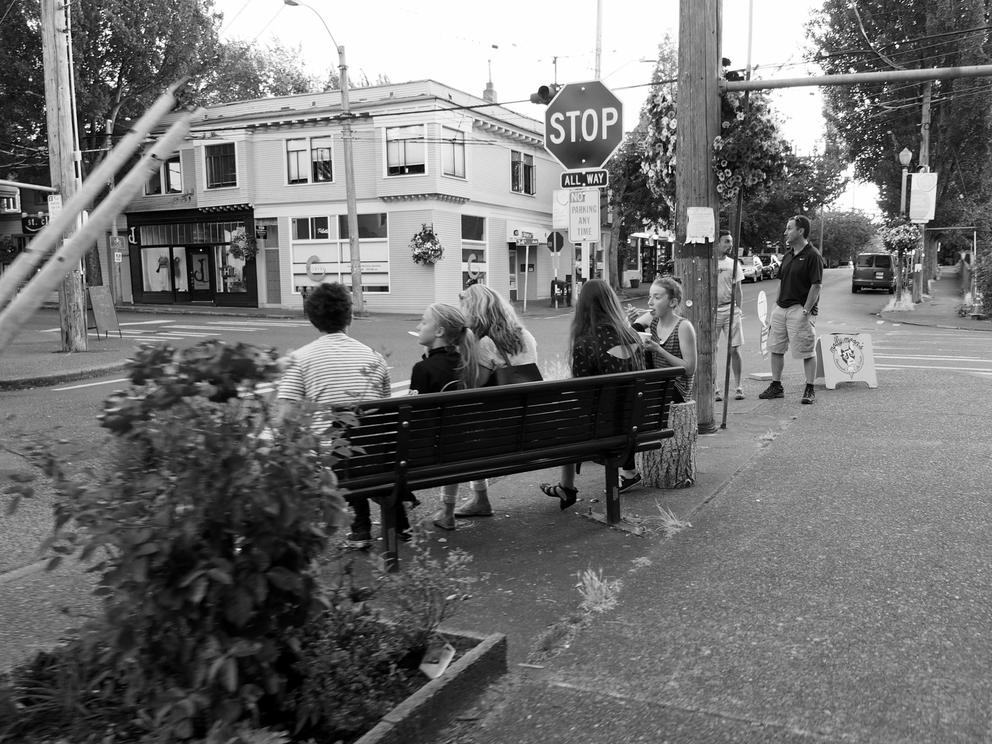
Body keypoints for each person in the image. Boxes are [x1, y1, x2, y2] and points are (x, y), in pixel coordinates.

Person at [275, 282, 398, 549]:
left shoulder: (300, 359)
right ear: (349, 316)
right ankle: (394, 524)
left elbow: (284, 419)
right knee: (357, 439)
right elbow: (384, 410)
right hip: (375, 453)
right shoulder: (375, 358)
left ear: (312, 319)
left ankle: (360, 529)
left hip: (332, 459)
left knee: (336, 444)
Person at [540, 279, 646, 509]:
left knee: (565, 420)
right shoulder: (633, 336)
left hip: (602, 427)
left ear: (583, 308)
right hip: (637, 422)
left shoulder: (585, 343)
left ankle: (566, 486)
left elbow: (581, 394)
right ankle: (625, 472)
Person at [455, 283, 539, 516]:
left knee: (465, 423)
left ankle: (479, 498)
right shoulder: (526, 335)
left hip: (502, 428)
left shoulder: (485, 343)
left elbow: (475, 385)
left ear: (475, 311)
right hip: (532, 418)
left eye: (464, 308)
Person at [408, 302, 481, 530]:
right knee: (453, 439)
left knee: (446, 442)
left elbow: (416, 422)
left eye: (424, 321)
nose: (419, 326)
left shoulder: (423, 369)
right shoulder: (467, 363)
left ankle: (403, 520)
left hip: (434, 453)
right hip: (475, 447)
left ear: (439, 332)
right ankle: (449, 510)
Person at [759, 215, 824, 405]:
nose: (785, 232)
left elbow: (816, 285)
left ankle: (809, 388)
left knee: (806, 350)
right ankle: (776, 386)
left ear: (800, 231)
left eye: (789, 228)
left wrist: (806, 311)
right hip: (781, 308)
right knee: (776, 348)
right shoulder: (787, 255)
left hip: (799, 309)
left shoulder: (813, 255)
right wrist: (775, 306)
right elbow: (782, 281)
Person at [629, 276, 697, 405]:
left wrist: (659, 350)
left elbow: (689, 369)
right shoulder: (653, 318)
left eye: (656, 297)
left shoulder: (683, 326)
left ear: (672, 303)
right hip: (657, 382)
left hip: (677, 389)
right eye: (650, 297)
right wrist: (630, 320)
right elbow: (630, 334)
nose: (650, 302)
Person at [715, 230, 745, 401]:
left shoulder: (733, 264)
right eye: (726, 241)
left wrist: (739, 309)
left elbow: (738, 289)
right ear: (717, 243)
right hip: (713, 312)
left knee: (734, 349)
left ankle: (738, 386)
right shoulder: (710, 263)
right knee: (711, 350)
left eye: (731, 241)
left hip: (731, 310)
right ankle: (715, 388)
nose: (730, 244)